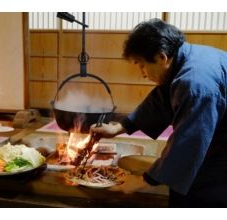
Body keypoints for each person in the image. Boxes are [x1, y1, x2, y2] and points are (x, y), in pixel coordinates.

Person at [91, 18, 227, 207]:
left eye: (141, 64)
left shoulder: (195, 82)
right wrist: (120, 127)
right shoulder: (185, 59)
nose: (142, 73)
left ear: (161, 57)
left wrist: (144, 181)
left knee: (196, 192)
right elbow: (162, 99)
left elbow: (190, 139)